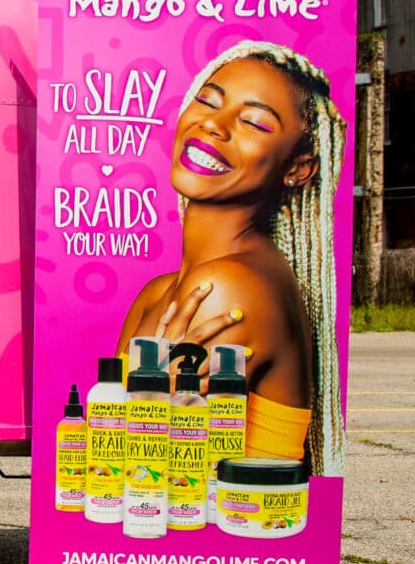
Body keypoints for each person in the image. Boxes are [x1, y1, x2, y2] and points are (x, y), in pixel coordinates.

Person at [114, 41, 344, 471]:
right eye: (207, 100)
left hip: (220, 530)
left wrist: (138, 402)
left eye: (254, 122)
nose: (213, 126)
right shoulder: (160, 291)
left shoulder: (228, 291)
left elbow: (154, 473)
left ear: (298, 169)